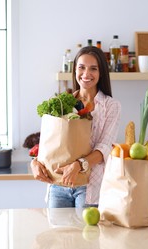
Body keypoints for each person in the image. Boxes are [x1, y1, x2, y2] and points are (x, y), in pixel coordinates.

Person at [31, 46, 121, 208]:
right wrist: (34, 163)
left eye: (93, 68)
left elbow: (105, 147)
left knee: (88, 233)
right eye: (81, 67)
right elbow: (50, 142)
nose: (86, 74)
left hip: (90, 186)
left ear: (101, 73)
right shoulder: (62, 102)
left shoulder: (111, 106)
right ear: (74, 70)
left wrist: (78, 165)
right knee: (59, 233)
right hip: (57, 185)